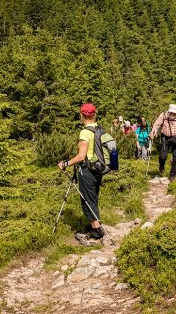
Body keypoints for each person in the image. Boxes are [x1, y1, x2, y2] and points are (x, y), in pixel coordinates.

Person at [58, 103, 105, 244]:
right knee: (93, 197)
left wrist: (65, 164)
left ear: (82, 115)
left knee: (87, 201)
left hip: (87, 170)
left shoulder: (85, 132)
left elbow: (80, 156)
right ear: (94, 114)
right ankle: (95, 225)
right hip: (98, 169)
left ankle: (96, 231)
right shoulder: (99, 128)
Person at [150, 104, 176, 181]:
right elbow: (156, 124)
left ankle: (172, 175)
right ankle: (161, 165)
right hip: (165, 137)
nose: (172, 114)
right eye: (171, 112)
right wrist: (154, 132)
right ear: (169, 111)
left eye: (174, 113)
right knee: (163, 156)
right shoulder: (163, 115)